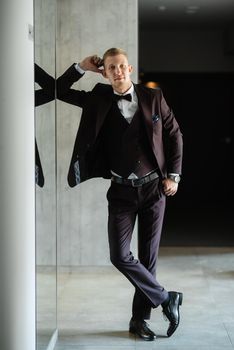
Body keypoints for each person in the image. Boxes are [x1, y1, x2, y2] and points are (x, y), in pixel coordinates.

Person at [57, 48, 183, 341]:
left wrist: (174, 176)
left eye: (121, 66)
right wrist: (80, 67)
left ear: (129, 68)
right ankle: (166, 298)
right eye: (111, 67)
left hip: (154, 188)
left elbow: (174, 133)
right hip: (120, 191)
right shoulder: (97, 98)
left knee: (148, 259)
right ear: (105, 71)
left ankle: (139, 320)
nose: (117, 71)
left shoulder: (153, 97)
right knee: (120, 255)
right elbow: (58, 90)